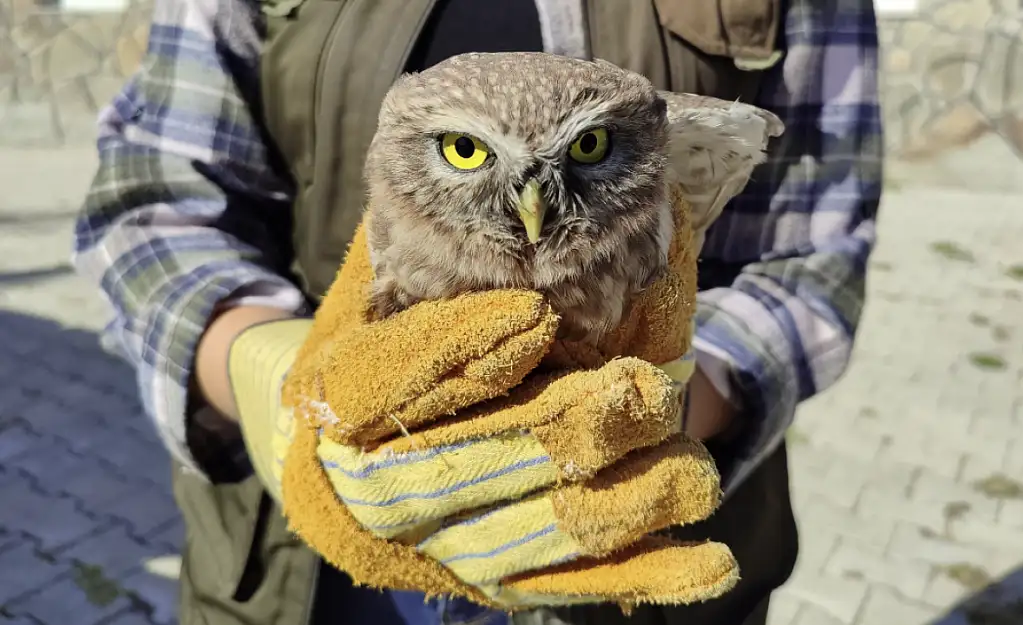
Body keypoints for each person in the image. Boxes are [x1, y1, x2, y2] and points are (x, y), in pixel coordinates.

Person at [72, 0, 882, 623]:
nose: (533, 203)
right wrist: (276, 382)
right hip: (325, 553)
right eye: (465, 151)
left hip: (639, 559)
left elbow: (809, 258)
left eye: (589, 149)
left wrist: (659, 410)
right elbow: (158, 204)